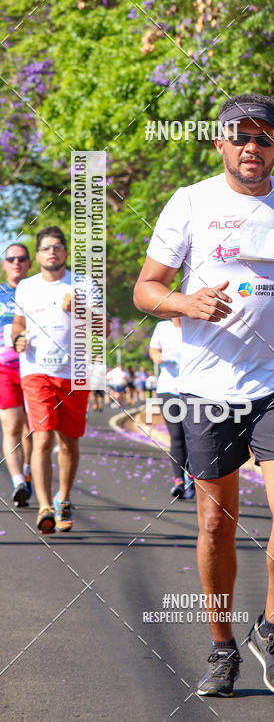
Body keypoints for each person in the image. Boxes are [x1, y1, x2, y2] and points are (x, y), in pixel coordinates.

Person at [134, 93, 274, 698]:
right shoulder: (190, 202)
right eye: (239, 136)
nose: (252, 147)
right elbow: (146, 289)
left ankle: (271, 631)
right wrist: (185, 302)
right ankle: (222, 646)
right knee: (216, 528)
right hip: (205, 387)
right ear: (219, 142)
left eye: (263, 136)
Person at [12, 226, 105, 534]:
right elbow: (18, 324)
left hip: (74, 374)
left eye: (57, 247)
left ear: (65, 253)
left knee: (68, 442)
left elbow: (103, 328)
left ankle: (63, 497)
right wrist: (18, 340)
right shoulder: (26, 287)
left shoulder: (83, 283)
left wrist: (81, 309)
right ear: (37, 256)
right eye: (45, 248)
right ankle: (44, 507)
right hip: (36, 371)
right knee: (42, 437)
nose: (52, 252)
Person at [0, 244, 33, 506]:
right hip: (4, 368)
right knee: (11, 425)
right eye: (11, 259)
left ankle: (29, 472)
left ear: (29, 263)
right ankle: (18, 481)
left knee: (31, 428)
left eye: (21, 258)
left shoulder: (38, 292)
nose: (16, 262)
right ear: (4, 264)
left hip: (34, 367)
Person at [148, 317, 193, 498]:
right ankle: (179, 481)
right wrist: (158, 357)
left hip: (192, 390)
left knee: (192, 435)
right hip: (168, 389)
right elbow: (153, 349)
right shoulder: (162, 327)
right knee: (176, 436)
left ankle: (191, 477)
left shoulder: (195, 327)